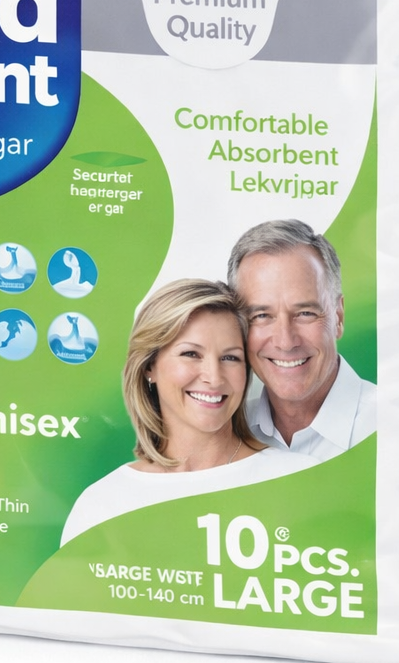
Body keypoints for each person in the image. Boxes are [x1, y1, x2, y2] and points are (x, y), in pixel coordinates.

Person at [60, 279, 315, 545]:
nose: (214, 378)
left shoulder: (299, 481)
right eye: (191, 354)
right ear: (149, 366)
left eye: (230, 358)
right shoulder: (102, 505)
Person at [227, 220, 376, 462]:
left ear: (338, 317)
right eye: (261, 316)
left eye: (305, 313)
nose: (285, 342)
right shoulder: (226, 432)